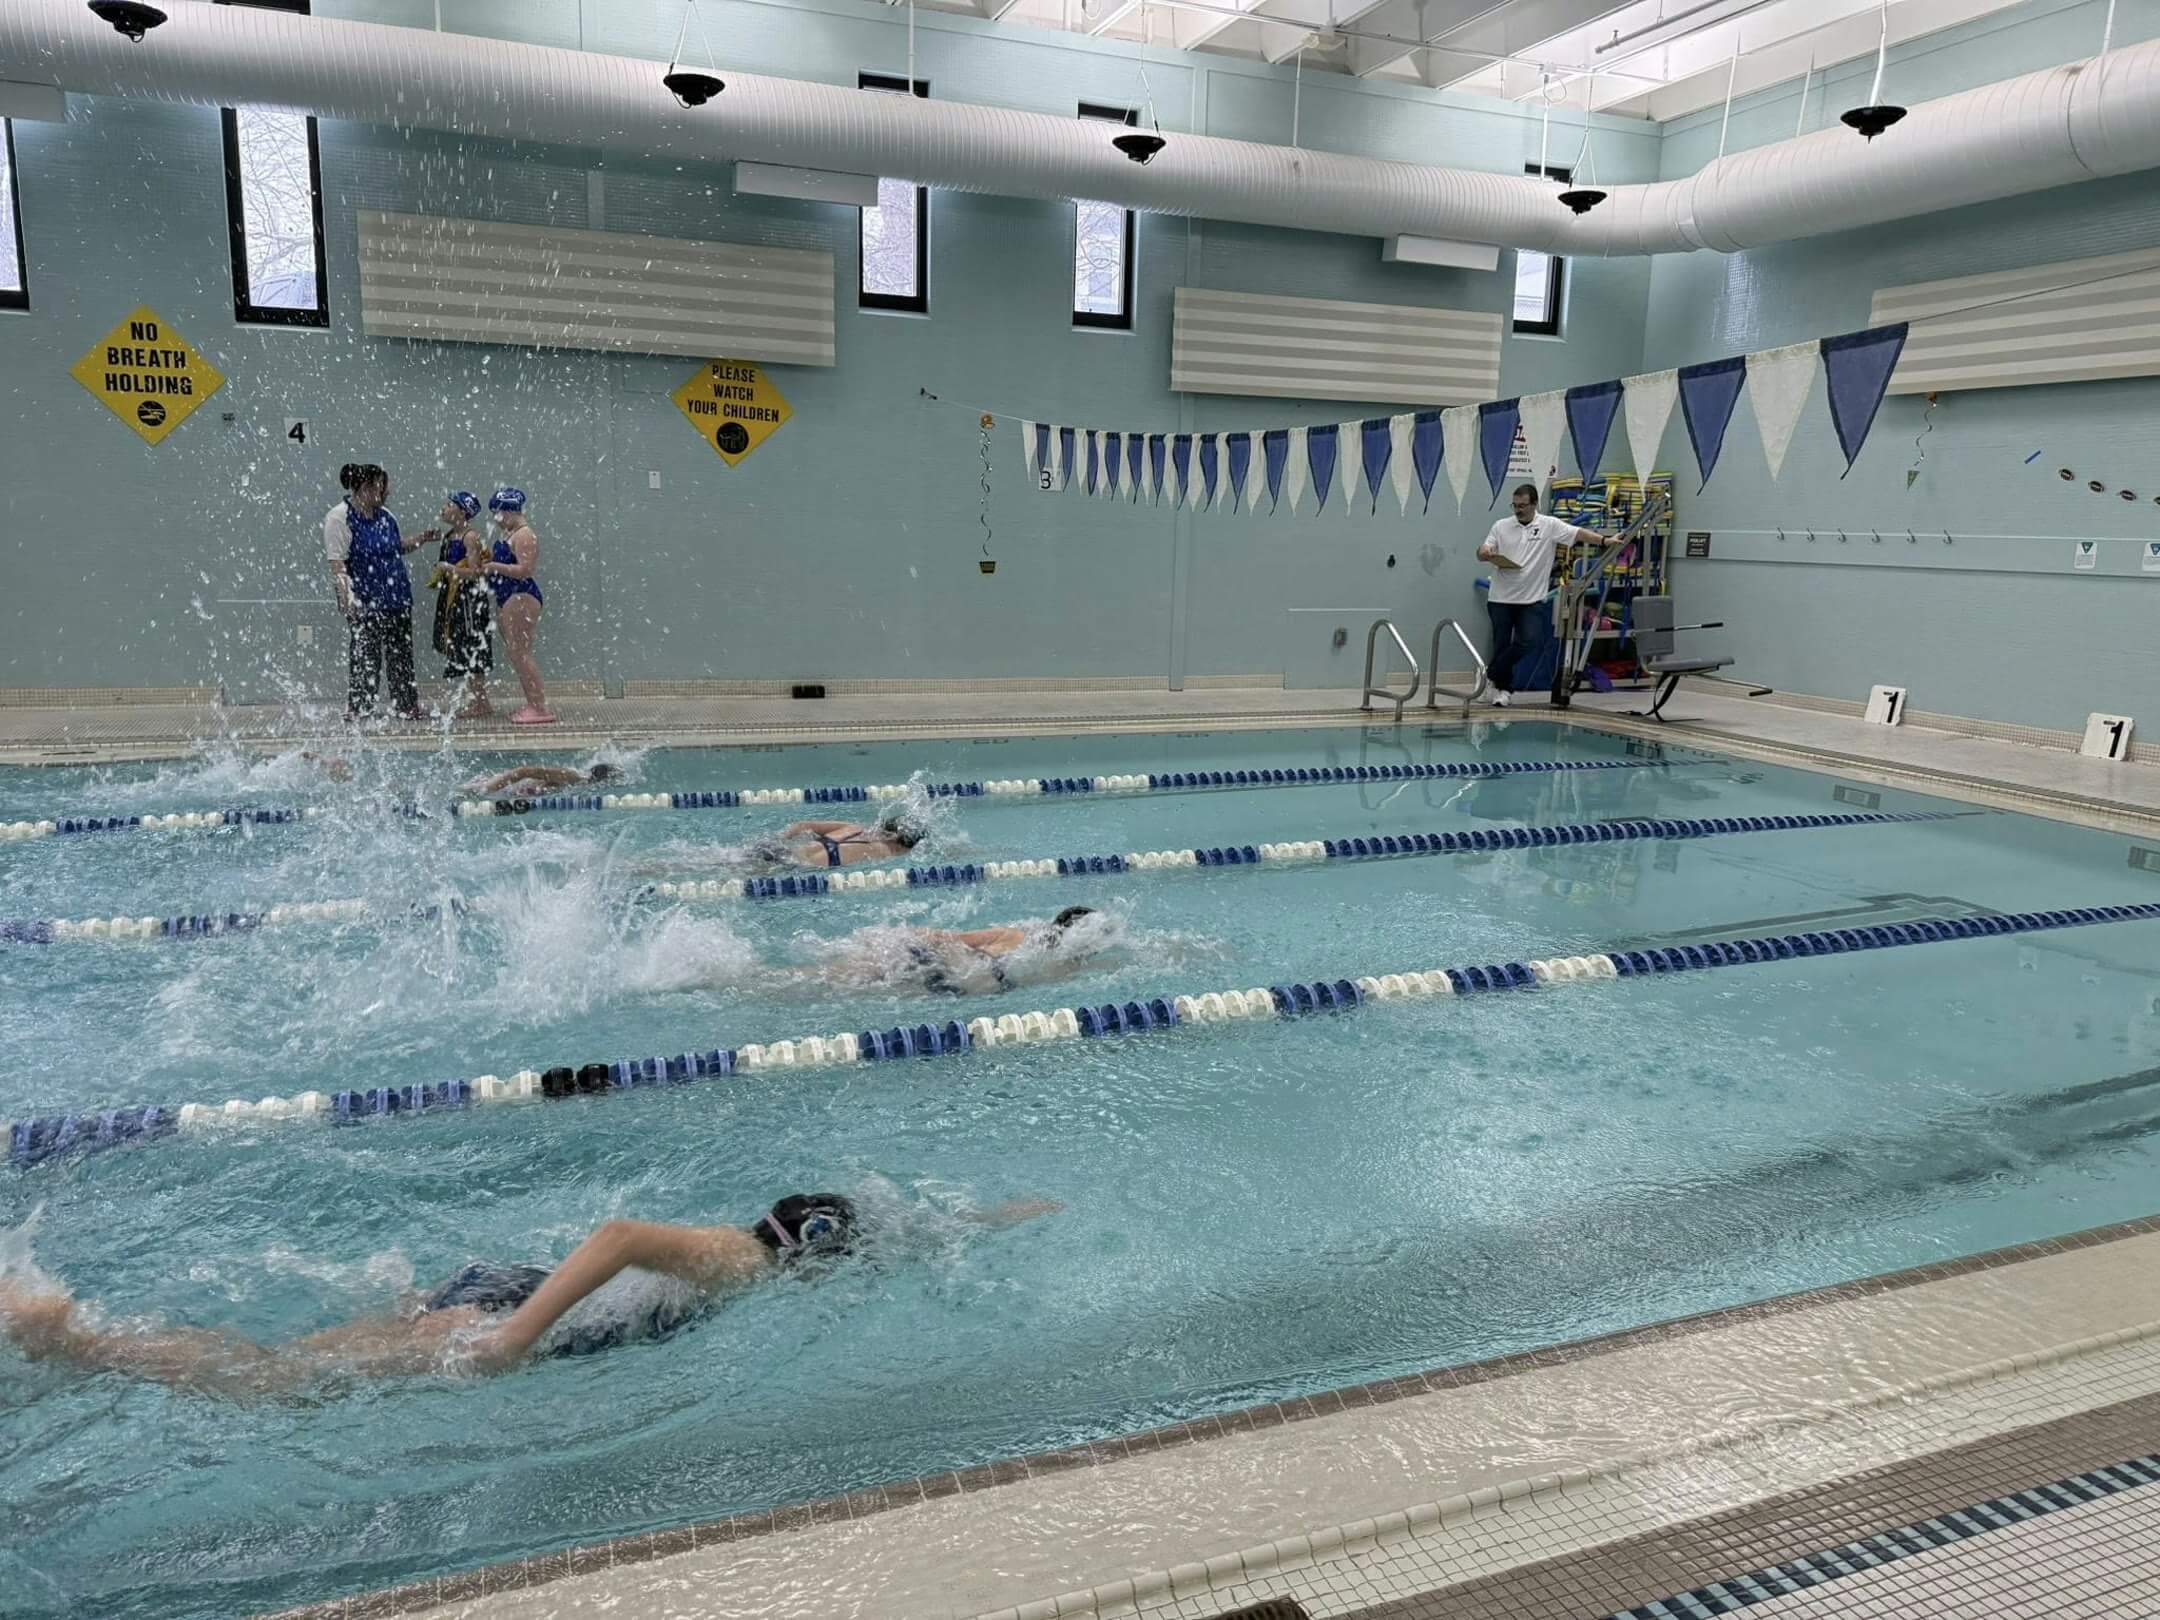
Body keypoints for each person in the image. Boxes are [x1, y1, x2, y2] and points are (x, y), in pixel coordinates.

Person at [0, 1193, 1056, 1397]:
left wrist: (1006, 1217)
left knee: (317, 1359)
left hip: (508, 1291)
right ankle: (76, 1340)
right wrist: (511, 1342)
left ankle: (77, 1336)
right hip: (511, 1315)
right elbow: (620, 1236)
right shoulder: (742, 1262)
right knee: (287, 1385)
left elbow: (921, 1229)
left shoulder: (753, 1250)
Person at [1473, 483, 1607, 707]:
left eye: (1523, 505)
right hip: (1500, 598)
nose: (1518, 510)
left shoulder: (1549, 525)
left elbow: (1578, 533)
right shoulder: (1501, 526)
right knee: (1501, 645)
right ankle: (1503, 690)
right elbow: (1482, 551)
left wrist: (1604, 540)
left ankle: (1489, 674)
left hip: (1531, 599)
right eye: (1515, 505)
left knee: (1529, 641)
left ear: (1534, 504)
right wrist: (1484, 552)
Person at [323, 463, 431, 721]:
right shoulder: (339, 518)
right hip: (364, 601)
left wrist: (422, 538)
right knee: (365, 657)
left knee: (401, 656)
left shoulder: (386, 516)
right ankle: (360, 708)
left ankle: (406, 705)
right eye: (381, 486)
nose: (386, 491)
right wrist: (348, 599)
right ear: (363, 487)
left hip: (397, 598)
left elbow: (397, 547)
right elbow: (337, 564)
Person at [475, 488, 551, 726]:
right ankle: (533, 703)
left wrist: (494, 566)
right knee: (515, 653)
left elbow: (525, 570)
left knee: (521, 652)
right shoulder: (511, 533)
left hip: (522, 596)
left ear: (509, 511)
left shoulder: (525, 535)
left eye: (497, 514)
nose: (496, 520)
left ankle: (539, 707)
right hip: (509, 597)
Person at [422, 492, 493, 720]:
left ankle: (482, 702)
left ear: (462, 512)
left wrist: (448, 568)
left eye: (449, 505)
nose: (443, 508)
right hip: (453, 599)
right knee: (460, 646)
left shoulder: (470, 537)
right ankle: (476, 698)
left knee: (472, 646)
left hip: (469, 601)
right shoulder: (451, 535)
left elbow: (476, 572)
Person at [749, 804, 928, 868]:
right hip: (792, 867)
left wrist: (780, 838)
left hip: (780, 850)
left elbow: (802, 825)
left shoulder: (854, 828)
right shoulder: (886, 853)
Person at [458, 761, 618, 799]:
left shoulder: (580, 783)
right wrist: (488, 787)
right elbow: (525, 771)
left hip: (510, 791)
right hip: (500, 787)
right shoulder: (572, 776)